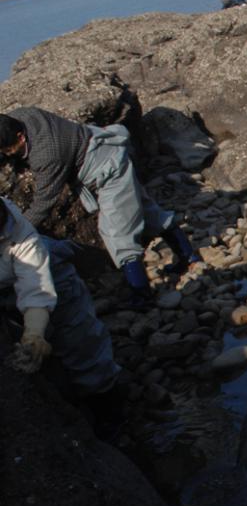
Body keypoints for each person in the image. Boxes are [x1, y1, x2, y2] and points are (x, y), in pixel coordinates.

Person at [0, 107, 200, 307]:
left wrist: (17, 228)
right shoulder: (23, 115)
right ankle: (189, 256)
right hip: (103, 145)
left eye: (9, 149)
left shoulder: (47, 154)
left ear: (21, 135)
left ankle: (142, 295)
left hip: (106, 168)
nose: (8, 154)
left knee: (117, 230)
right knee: (146, 211)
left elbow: (44, 201)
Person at [0, 197, 123, 431]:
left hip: (47, 273)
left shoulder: (20, 234)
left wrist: (34, 335)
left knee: (80, 342)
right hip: (5, 284)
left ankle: (109, 410)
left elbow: (36, 291)